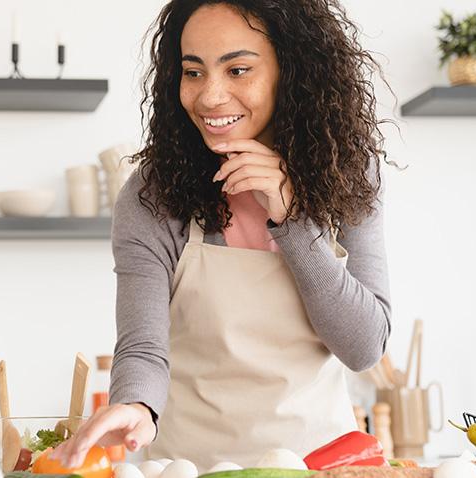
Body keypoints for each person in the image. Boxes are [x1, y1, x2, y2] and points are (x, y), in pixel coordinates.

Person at [50, 0, 394, 471]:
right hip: (189, 467)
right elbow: (143, 345)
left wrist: (292, 219)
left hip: (320, 465)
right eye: (193, 72)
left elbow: (363, 346)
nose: (210, 96)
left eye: (237, 69)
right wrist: (135, 406)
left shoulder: (347, 174)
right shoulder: (154, 194)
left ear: (290, 70)